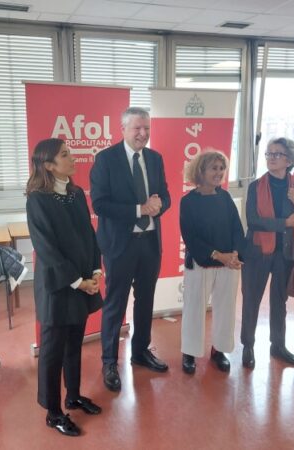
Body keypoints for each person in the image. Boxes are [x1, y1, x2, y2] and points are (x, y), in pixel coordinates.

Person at [90, 107, 171, 392]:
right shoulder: (106, 159)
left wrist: (160, 206)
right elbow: (99, 204)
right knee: (115, 304)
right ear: (123, 128)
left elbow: (166, 196)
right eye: (137, 128)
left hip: (150, 243)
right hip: (119, 245)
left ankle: (140, 351)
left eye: (147, 128)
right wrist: (140, 209)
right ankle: (109, 361)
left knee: (146, 300)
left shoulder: (155, 158)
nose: (143, 133)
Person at [26, 138, 103, 437]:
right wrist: (77, 281)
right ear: (48, 165)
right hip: (57, 286)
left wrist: (94, 270)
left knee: (74, 343)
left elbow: (89, 234)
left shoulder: (75, 193)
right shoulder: (37, 199)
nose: (73, 159)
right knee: (52, 352)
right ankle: (53, 412)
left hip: (82, 280)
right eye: (65, 155)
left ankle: (73, 395)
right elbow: (46, 247)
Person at [241, 137, 294, 369]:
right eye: (269, 154)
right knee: (251, 299)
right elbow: (253, 221)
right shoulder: (256, 186)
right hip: (257, 252)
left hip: (286, 252)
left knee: (279, 301)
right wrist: (285, 223)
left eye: (277, 154)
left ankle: (278, 345)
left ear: (289, 160)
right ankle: (248, 345)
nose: (271, 158)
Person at [179, 151, 244, 374]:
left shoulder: (225, 197)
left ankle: (219, 350)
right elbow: (191, 237)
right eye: (213, 168)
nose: (219, 172)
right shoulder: (188, 202)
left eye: (221, 168)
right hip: (201, 263)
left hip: (229, 264)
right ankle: (189, 352)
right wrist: (218, 255)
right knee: (194, 308)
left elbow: (237, 228)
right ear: (201, 171)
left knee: (226, 309)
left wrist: (235, 253)